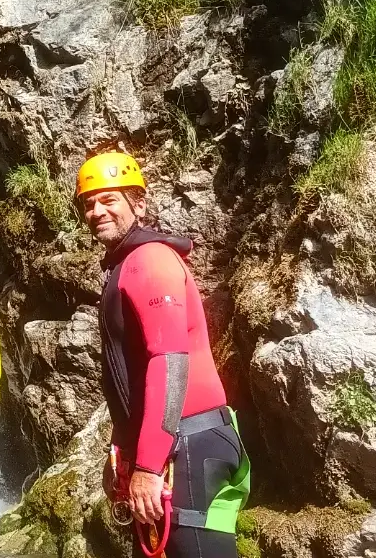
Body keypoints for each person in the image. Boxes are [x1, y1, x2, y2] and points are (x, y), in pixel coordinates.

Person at [76, 150, 250, 558]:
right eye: (89, 204)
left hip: (187, 444)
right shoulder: (126, 264)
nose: (96, 211)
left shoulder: (149, 260)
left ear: (138, 204)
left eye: (108, 199)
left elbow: (168, 361)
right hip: (175, 442)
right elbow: (128, 377)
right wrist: (123, 451)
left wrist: (150, 465)